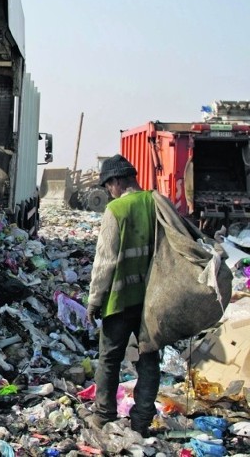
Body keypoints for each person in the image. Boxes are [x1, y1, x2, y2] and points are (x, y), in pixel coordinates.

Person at [85, 154, 159, 437]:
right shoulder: (155, 203)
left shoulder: (116, 210)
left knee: (109, 360)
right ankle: (141, 421)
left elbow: (105, 261)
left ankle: (103, 417)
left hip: (119, 300)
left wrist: (94, 301)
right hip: (152, 301)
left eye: (108, 186)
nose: (107, 192)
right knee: (149, 360)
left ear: (116, 181)